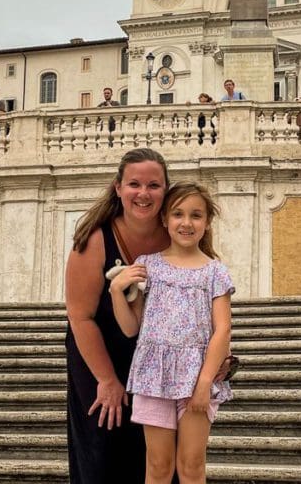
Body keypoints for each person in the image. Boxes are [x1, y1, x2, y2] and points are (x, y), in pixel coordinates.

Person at [110, 182, 234, 484]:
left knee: (192, 466)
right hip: (153, 375)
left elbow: (223, 330)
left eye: (196, 215)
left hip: (196, 377)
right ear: (165, 219)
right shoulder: (147, 266)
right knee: (158, 466)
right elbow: (131, 327)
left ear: (206, 222)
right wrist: (116, 290)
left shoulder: (215, 271)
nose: (187, 223)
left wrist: (204, 383)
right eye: (178, 214)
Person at [65, 148, 173, 483]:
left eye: (153, 185)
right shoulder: (94, 240)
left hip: (155, 355)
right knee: (104, 451)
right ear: (118, 188)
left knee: (158, 455)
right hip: (100, 353)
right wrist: (107, 380)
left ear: (166, 189)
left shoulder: (179, 231)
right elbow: (80, 318)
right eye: (134, 184)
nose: (143, 194)